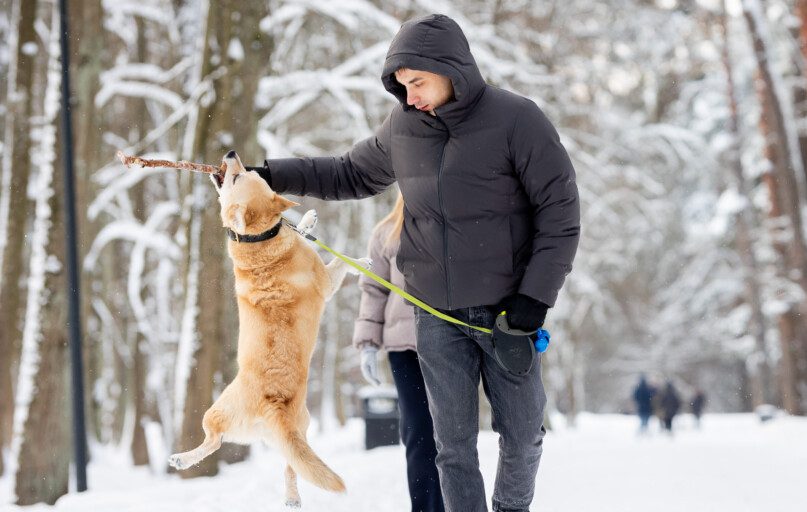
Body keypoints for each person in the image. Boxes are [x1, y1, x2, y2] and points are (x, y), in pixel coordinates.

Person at [243, 14, 580, 512]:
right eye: (402, 87)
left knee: (525, 433)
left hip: (508, 315)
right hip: (436, 317)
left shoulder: (517, 120)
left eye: (418, 82)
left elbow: (560, 212)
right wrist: (268, 175)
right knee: (453, 448)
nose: (411, 96)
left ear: (451, 70)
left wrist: (534, 297)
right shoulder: (403, 128)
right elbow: (349, 173)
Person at [353, 193, 444, 512]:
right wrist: (368, 343)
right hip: (404, 349)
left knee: (451, 435)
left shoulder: (452, 223)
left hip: (451, 345)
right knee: (419, 432)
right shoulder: (386, 232)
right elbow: (374, 289)